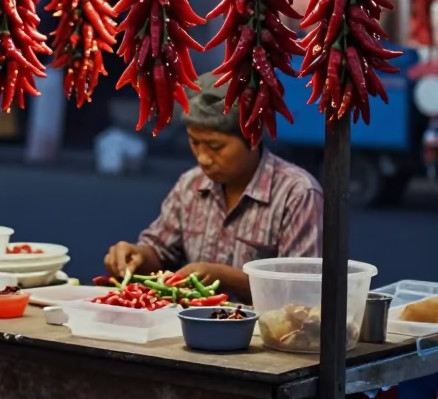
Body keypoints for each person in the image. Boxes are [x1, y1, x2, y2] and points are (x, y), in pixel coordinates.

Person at [104, 74, 323, 303]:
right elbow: (160, 251)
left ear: (254, 137)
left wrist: (225, 277)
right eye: (195, 142)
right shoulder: (191, 185)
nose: (204, 158)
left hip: (268, 332)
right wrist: (138, 257)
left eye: (216, 146)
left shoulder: (297, 194)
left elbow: (302, 290)